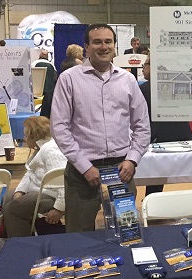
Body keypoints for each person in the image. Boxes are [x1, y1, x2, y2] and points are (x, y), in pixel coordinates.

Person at [52, 24, 151, 232]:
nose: (103, 47)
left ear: (115, 47)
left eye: (108, 42)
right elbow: (60, 128)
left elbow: (142, 125)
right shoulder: (69, 79)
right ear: (86, 47)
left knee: (126, 234)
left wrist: (132, 159)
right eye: (97, 42)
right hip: (82, 175)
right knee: (79, 239)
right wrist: (85, 166)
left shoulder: (128, 80)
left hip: (122, 171)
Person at [3, 116, 67, 237]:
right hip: (40, 189)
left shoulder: (51, 151)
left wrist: (59, 209)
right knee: (7, 197)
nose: (24, 139)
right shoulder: (40, 148)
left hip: (51, 195)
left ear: (34, 136)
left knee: (12, 209)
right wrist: (19, 192)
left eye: (26, 136)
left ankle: (21, 246)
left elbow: (62, 181)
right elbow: (30, 173)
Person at [139, 57, 192, 196]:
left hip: (158, 139)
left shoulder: (144, 89)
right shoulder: (178, 85)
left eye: (145, 65)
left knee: (155, 175)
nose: (143, 68)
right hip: (183, 135)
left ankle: (152, 201)